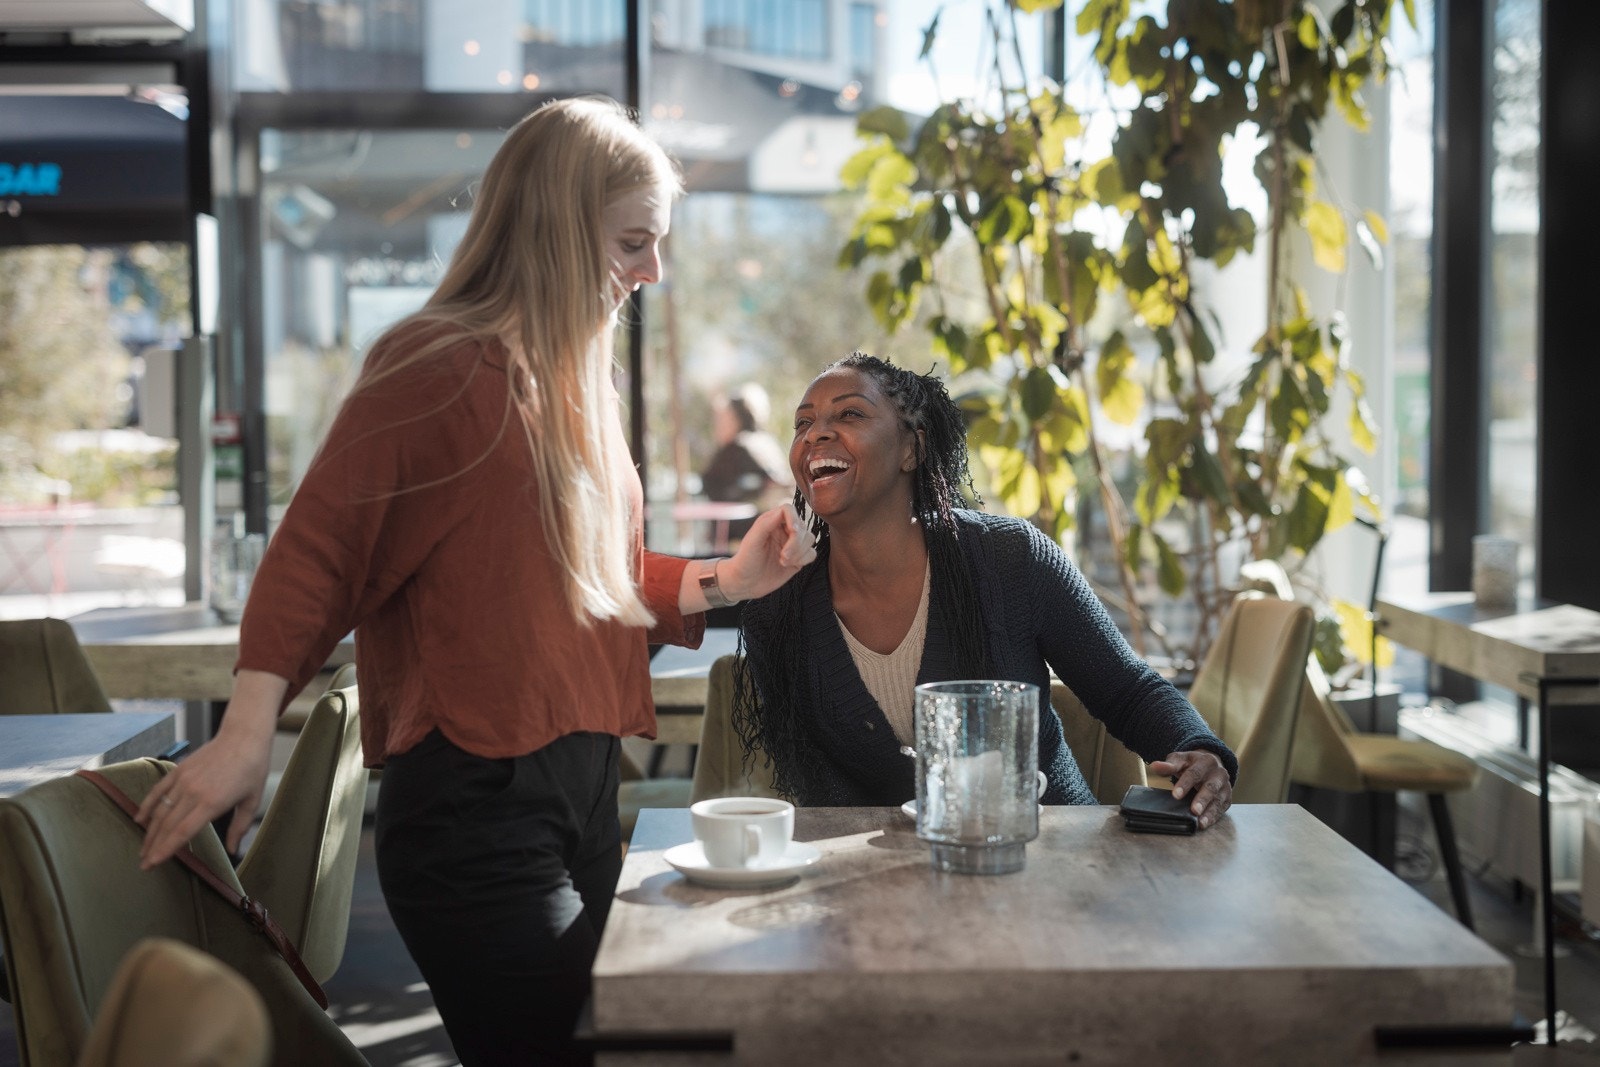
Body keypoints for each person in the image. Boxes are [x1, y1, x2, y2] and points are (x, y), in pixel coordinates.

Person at [134, 97, 814, 1066]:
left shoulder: (575, 380)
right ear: (557, 227)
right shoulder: (439, 366)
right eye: (633, 241)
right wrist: (246, 734)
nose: (653, 271)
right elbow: (321, 551)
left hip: (577, 793)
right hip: (476, 811)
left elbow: (588, 582)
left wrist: (731, 577)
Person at [732, 352, 1236, 827]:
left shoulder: (1010, 560)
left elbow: (1127, 691)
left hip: (1046, 853)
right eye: (803, 423)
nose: (817, 434)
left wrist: (1199, 750)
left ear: (912, 447)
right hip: (874, 879)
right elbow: (814, 779)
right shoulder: (779, 604)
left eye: (850, 415)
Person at [699, 383, 792, 543]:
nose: (717, 425)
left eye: (722, 418)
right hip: (768, 536)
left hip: (741, 542)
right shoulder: (767, 443)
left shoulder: (738, 448)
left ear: (736, 417)